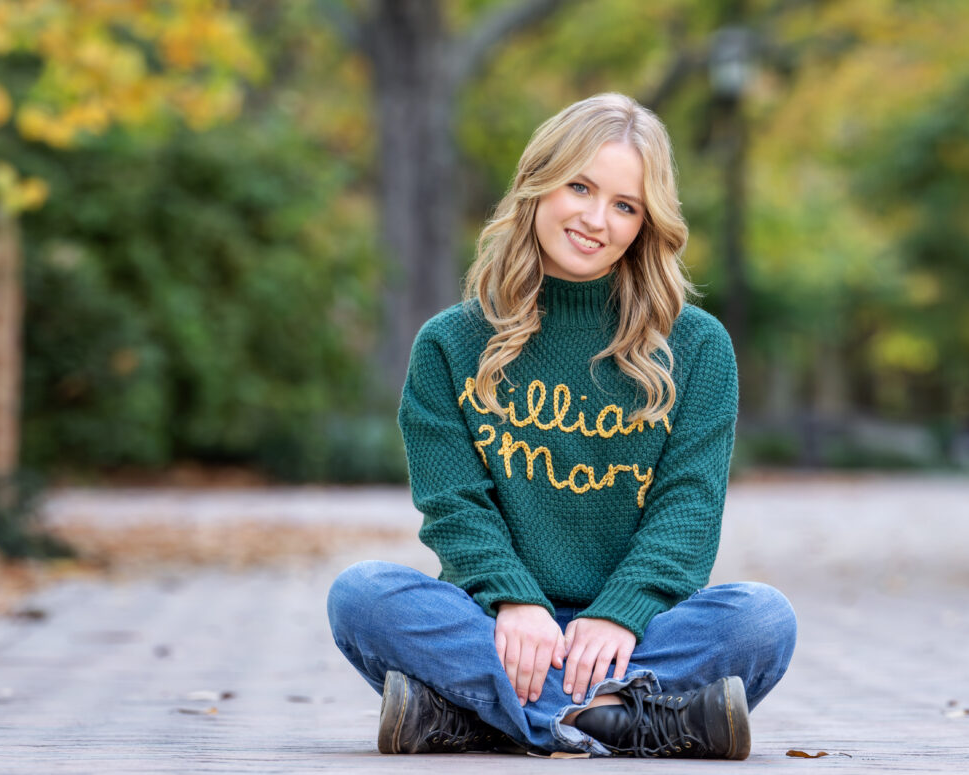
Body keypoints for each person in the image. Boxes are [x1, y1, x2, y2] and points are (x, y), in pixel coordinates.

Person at [326, 92, 796, 760]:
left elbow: (687, 511)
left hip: (639, 630)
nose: (596, 219)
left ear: (645, 223)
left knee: (762, 619)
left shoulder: (696, 347)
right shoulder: (449, 343)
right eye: (580, 186)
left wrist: (618, 611)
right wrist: (516, 602)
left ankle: (478, 716)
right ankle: (627, 721)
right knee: (363, 596)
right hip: (493, 626)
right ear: (538, 184)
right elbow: (455, 508)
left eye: (625, 205)